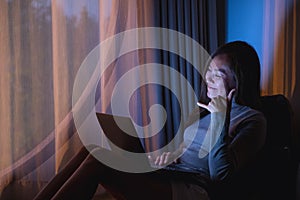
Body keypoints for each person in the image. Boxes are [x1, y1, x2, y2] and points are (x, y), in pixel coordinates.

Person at [33, 41, 266, 200]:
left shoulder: (253, 120)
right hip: (174, 175)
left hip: (195, 191)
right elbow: (192, 153)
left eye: (219, 74)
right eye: (209, 72)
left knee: (100, 162)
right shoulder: (205, 111)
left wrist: (220, 118)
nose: (208, 79)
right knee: (92, 149)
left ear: (239, 79)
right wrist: (171, 157)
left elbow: (220, 175)